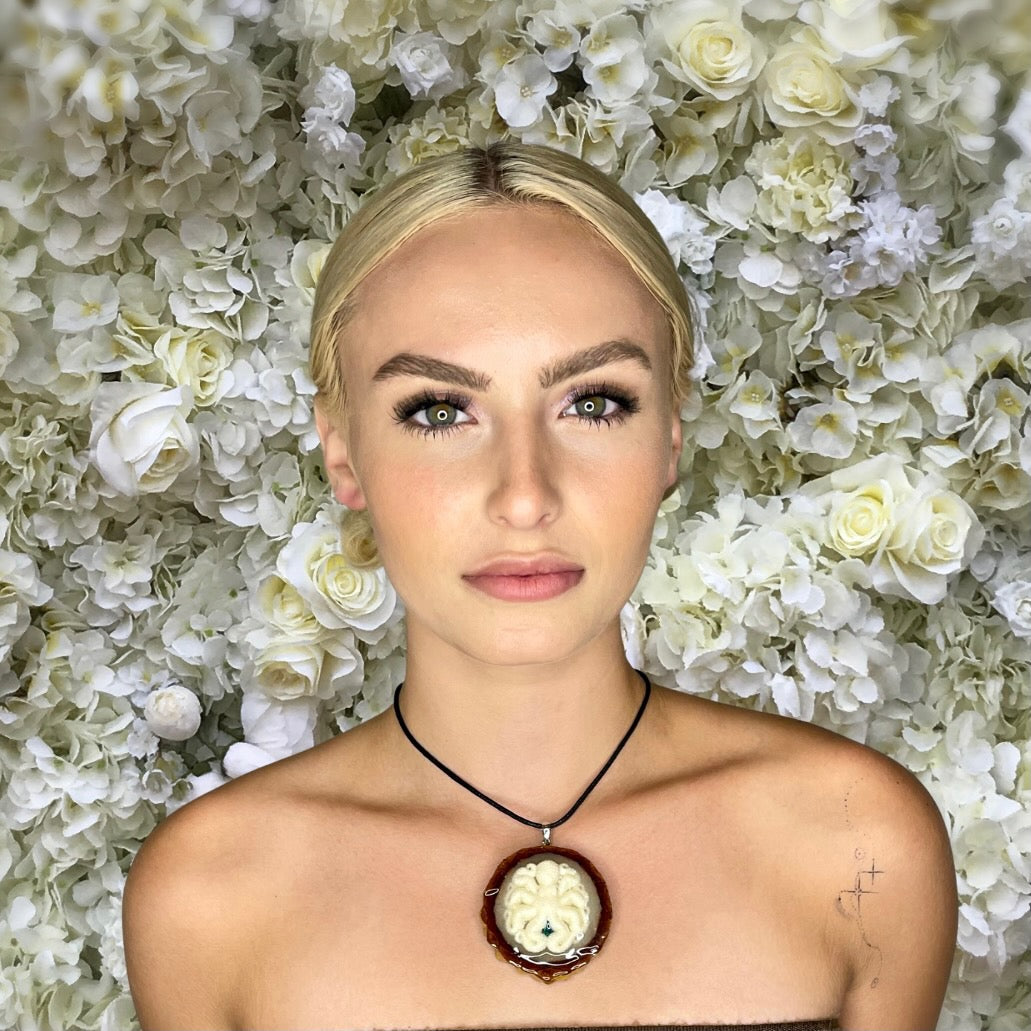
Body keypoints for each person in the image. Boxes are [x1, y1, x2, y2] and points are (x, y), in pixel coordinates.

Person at [122, 140, 957, 1031]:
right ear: (342, 452)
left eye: (593, 401)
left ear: (671, 436)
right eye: (439, 411)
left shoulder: (855, 845)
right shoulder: (210, 895)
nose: (525, 496)